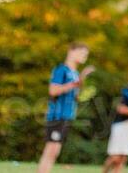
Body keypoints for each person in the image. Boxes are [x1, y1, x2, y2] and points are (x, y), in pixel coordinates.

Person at [37, 41, 94, 173]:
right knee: (50, 150)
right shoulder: (61, 70)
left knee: (55, 151)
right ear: (71, 51)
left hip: (66, 116)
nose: (84, 57)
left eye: (86, 55)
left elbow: (75, 96)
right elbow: (53, 91)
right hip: (56, 115)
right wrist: (76, 83)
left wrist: (81, 83)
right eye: (81, 53)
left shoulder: (74, 73)